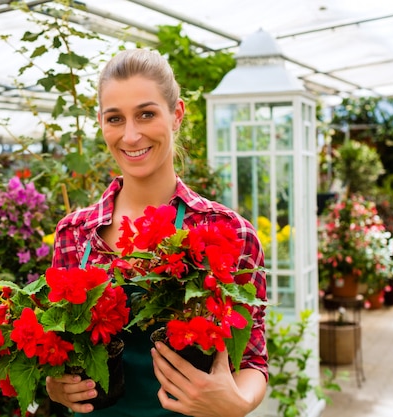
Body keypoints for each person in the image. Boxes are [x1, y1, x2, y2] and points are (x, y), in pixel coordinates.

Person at [46, 48, 267, 417]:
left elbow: (253, 361)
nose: (131, 136)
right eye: (115, 119)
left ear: (176, 114)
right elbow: (60, 351)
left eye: (146, 114)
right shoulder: (74, 233)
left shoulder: (228, 232)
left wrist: (238, 403)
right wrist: (55, 385)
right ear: (101, 122)